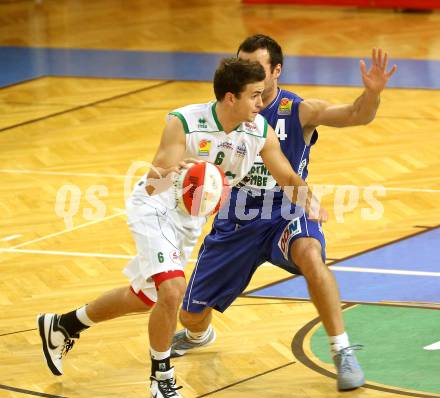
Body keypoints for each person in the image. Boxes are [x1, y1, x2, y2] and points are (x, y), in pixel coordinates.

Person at [37, 57, 325, 398]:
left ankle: (64, 325)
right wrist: (180, 170)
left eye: (262, 96)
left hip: (190, 221)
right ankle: (161, 378)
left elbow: (288, 176)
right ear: (230, 97)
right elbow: (152, 183)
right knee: (173, 289)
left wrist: (308, 199)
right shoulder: (185, 121)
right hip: (156, 210)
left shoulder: (258, 132)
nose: (261, 103)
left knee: (146, 297)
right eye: (254, 96)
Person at [171, 35, 397, 391]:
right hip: (237, 218)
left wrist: (372, 93)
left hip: (286, 210)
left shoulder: (298, 110)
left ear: (276, 71)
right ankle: (199, 334)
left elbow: (356, 114)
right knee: (190, 316)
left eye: (257, 68)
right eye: (242, 65)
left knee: (310, 253)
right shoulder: (229, 108)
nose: (248, 74)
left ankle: (341, 350)